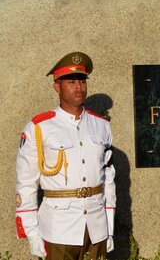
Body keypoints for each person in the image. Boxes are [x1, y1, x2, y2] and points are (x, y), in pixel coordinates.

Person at [15, 52, 116, 259]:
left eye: (81, 81)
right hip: (58, 229)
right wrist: (32, 232)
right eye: (70, 82)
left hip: (96, 228)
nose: (78, 87)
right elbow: (26, 183)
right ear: (57, 87)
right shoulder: (39, 127)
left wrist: (110, 226)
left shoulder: (102, 126)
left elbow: (109, 181)